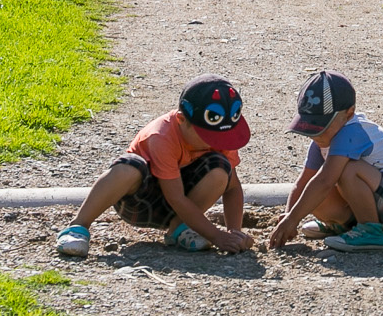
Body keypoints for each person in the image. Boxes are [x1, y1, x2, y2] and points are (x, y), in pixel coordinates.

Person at [55, 76, 255, 258]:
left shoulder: (221, 138)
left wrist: (234, 233)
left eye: (222, 136)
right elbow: (175, 197)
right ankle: (78, 227)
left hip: (184, 205)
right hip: (141, 201)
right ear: (181, 120)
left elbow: (233, 187)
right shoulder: (161, 136)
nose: (216, 142)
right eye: (208, 136)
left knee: (221, 169)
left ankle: (179, 229)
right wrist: (215, 235)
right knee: (129, 166)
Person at [266, 69, 383, 251]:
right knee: (310, 191)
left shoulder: (353, 131)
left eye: (322, 125)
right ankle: (342, 227)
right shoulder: (322, 140)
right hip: (377, 204)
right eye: (311, 125)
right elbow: (303, 182)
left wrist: (294, 219)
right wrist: (288, 216)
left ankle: (370, 232)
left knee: (347, 170)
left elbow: (325, 181)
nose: (316, 133)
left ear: (348, 114)